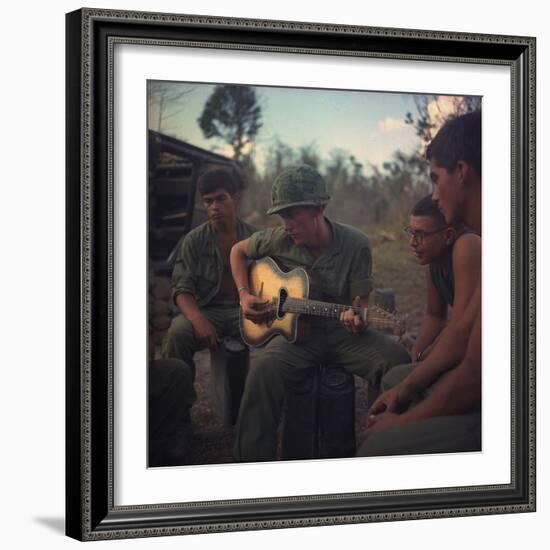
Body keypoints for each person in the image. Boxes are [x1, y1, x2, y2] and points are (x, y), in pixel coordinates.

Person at [230, 164, 410, 462]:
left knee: (397, 360)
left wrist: (357, 318)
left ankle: (384, 450)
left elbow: (360, 304)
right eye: (282, 216)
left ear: (319, 208)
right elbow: (237, 251)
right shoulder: (278, 238)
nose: (286, 224)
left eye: (292, 214)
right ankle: (249, 467)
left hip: (341, 335)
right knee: (262, 373)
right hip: (295, 339)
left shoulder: (355, 243)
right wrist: (244, 294)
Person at [357, 110, 482, 456]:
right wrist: (414, 373)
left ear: (461, 172)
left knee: (376, 449)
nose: (434, 194)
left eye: (434, 177)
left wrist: (404, 421)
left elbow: (472, 368)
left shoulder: (474, 245)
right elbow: (448, 325)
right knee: (400, 381)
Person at [161, 167, 256, 407]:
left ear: (235, 197)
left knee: (284, 337)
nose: (214, 207)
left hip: (244, 312)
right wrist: (197, 320)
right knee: (176, 334)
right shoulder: (194, 240)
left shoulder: (255, 239)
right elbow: (181, 290)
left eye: (220, 198)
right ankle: (177, 412)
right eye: (208, 201)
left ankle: (265, 407)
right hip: (207, 310)